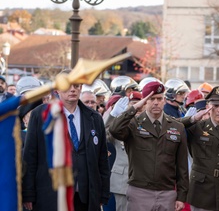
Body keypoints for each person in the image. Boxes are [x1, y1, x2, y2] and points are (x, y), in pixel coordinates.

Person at [22, 69, 110, 211]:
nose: (73, 90)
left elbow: (102, 160)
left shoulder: (94, 118)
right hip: (51, 194)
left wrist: (103, 194)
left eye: (76, 86)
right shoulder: (40, 115)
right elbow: (30, 156)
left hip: (85, 197)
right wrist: (28, 194)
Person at [109, 81, 189, 211]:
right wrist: (133, 109)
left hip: (166, 193)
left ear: (164, 100)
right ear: (145, 101)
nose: (156, 102)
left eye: (159, 98)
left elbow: (182, 167)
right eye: (151, 99)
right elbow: (114, 130)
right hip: (139, 191)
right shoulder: (133, 124)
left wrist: (181, 196)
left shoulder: (176, 127)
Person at [105, 91, 142, 211]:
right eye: (132, 104)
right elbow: (105, 135)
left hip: (144, 181)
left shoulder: (148, 123)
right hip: (122, 181)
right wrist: (113, 115)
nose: (136, 107)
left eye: (138, 103)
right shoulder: (120, 125)